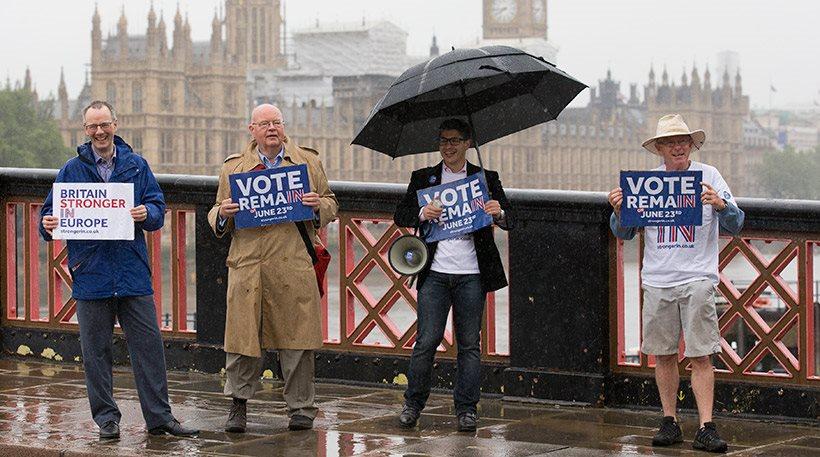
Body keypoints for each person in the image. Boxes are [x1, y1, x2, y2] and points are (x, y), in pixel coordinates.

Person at [39, 100, 198, 439]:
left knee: (149, 349)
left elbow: (157, 207)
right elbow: (48, 217)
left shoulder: (136, 166)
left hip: (131, 273)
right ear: (85, 130)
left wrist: (147, 213)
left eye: (104, 124)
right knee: (96, 354)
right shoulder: (71, 169)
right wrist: (48, 222)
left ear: (115, 124)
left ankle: (159, 417)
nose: (99, 131)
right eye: (93, 126)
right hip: (91, 273)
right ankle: (107, 419)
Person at [608, 114, 744, 453]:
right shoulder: (646, 183)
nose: (678, 146)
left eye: (683, 140)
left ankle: (706, 426)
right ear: (660, 149)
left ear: (691, 145)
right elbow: (623, 233)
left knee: (701, 355)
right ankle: (669, 421)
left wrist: (721, 204)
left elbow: (737, 222)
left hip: (698, 277)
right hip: (658, 279)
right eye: (670, 142)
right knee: (664, 355)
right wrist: (618, 211)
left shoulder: (709, 176)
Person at [209, 104, 338, 433]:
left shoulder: (307, 162)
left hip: (292, 260)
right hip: (249, 263)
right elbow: (216, 214)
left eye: (276, 123)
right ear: (251, 129)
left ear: (284, 127)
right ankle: (238, 404)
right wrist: (223, 212)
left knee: (297, 340)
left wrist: (317, 206)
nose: (271, 129)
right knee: (242, 339)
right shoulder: (234, 168)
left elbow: (331, 202)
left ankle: (301, 407)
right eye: (264, 124)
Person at [393, 118, 514, 432]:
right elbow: (401, 215)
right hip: (434, 272)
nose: (448, 146)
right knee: (426, 341)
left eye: (455, 140)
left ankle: (466, 409)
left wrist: (497, 212)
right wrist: (423, 213)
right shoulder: (423, 178)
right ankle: (413, 404)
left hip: (472, 273)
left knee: (469, 345)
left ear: (468, 143)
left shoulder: (485, 178)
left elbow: (510, 219)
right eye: (443, 140)